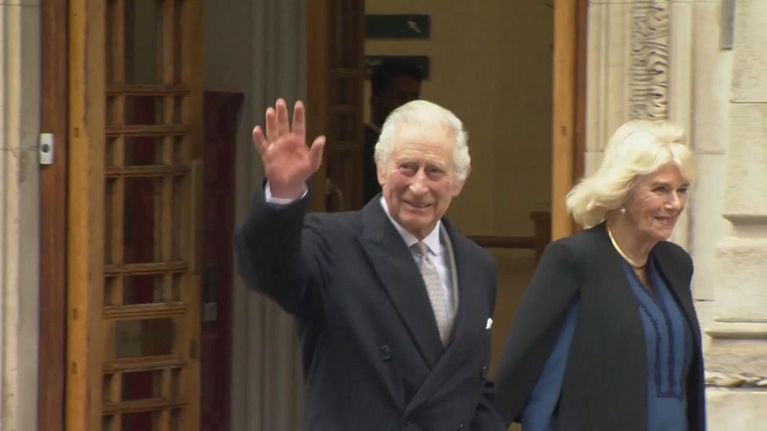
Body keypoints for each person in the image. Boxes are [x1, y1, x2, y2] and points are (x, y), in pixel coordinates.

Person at [236, 98, 506, 430]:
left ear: (459, 181)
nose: (418, 186)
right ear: (381, 169)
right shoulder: (332, 244)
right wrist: (283, 194)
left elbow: (469, 387)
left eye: (434, 171)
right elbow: (268, 271)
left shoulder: (478, 267)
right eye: (407, 167)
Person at [494, 120, 706, 430]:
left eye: (682, 190)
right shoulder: (574, 259)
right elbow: (528, 363)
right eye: (660, 189)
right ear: (623, 191)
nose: (675, 204)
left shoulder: (676, 264)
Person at [364, 59, 423, 202]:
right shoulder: (358, 146)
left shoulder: (419, 148)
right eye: (400, 97)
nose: (408, 106)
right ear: (375, 99)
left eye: (413, 98)